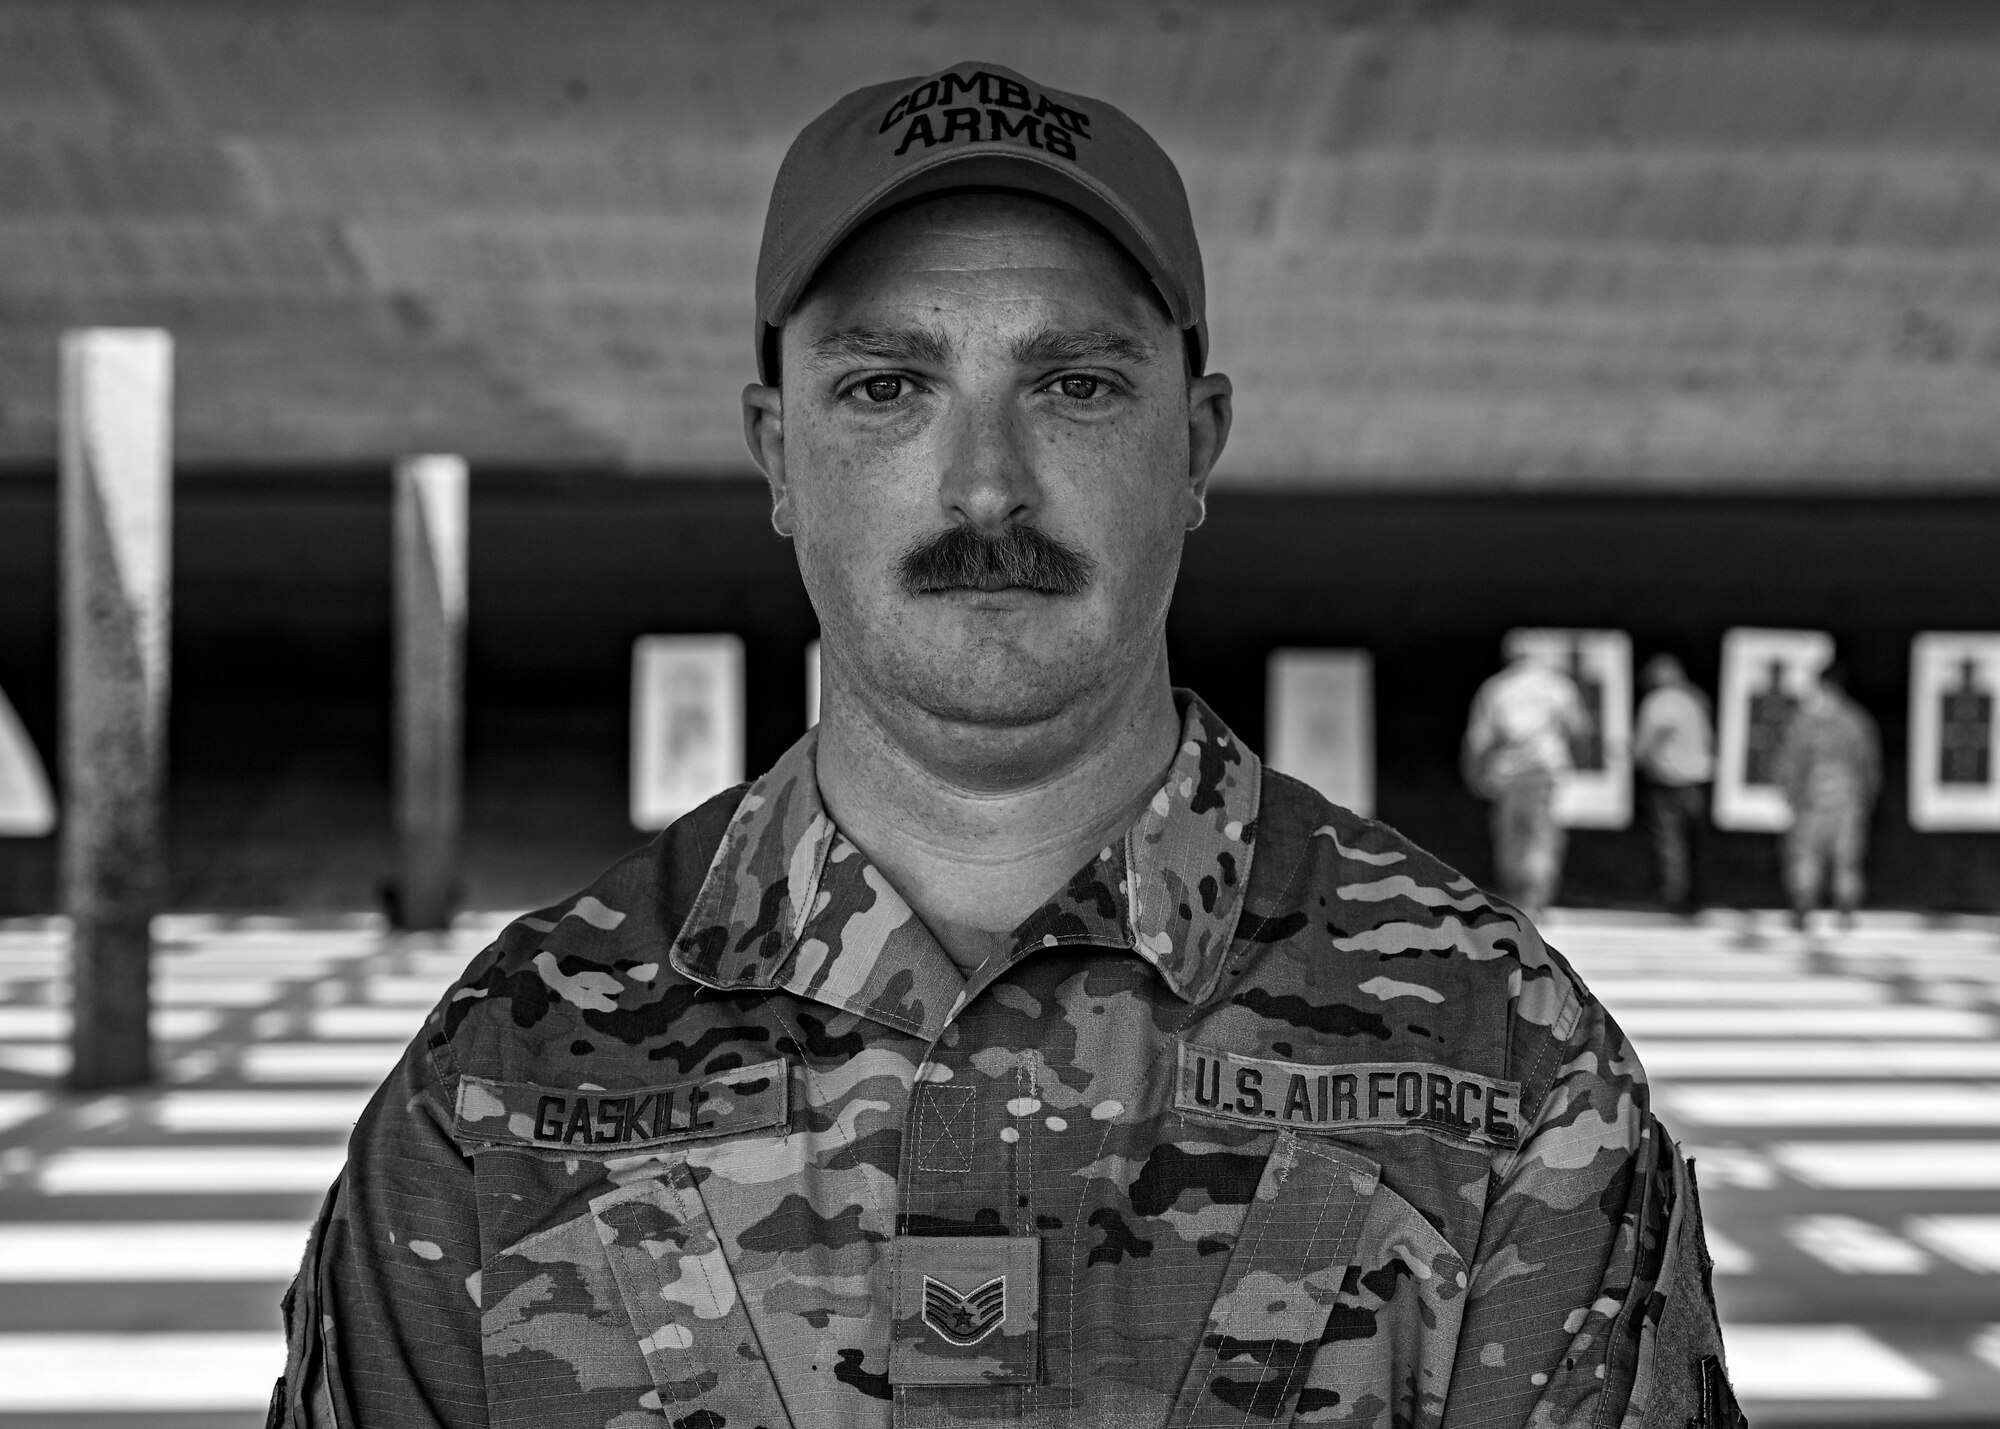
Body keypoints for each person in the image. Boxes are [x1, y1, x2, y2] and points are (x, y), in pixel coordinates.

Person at [269, 61, 1739, 1429]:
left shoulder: (1504, 1061)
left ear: (1198, 444)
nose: (987, 486)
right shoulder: (507, 1077)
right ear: (780, 454)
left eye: (1076, 385)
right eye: (887, 387)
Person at [1460, 648, 1590, 919]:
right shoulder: (1557, 685)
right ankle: (1536, 898)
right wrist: (1578, 761)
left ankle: (1516, 897)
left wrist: (1472, 771)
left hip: (1507, 775)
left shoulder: (1497, 688)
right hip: (1544, 772)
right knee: (1541, 835)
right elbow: (1580, 728)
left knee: (1510, 837)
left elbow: (1479, 738)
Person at [1773, 659, 1880, 930]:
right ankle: (1846, 909)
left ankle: (1803, 907)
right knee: (1847, 858)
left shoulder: (1806, 722)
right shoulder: (1855, 719)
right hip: (1849, 796)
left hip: (1813, 796)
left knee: (1806, 854)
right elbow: (1869, 764)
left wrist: (1790, 793)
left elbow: (1790, 761)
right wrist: (1867, 796)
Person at [1633, 654, 1715, 915]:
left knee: (1670, 842)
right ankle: (1697, 894)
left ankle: (1675, 898)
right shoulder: (1696, 698)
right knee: (1695, 841)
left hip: (1668, 781)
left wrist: (1629, 759)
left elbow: (1645, 744)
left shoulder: (1658, 702)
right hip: (1699, 779)